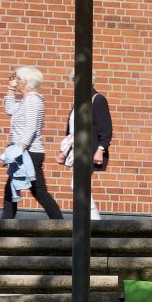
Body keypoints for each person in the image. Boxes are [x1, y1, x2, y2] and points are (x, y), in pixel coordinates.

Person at [1, 66, 63, 221]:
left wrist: (19, 149)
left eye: (19, 79)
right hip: (24, 152)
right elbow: (9, 109)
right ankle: (2, 228)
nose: (17, 81)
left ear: (26, 82)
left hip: (29, 153)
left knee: (39, 191)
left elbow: (31, 128)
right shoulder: (25, 101)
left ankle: (63, 227)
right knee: (11, 190)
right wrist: (10, 88)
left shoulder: (32, 101)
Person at [60, 89, 113, 221]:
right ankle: (88, 220)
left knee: (77, 184)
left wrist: (101, 149)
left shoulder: (97, 99)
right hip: (76, 149)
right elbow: (72, 130)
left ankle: (95, 220)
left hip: (89, 149)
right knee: (78, 185)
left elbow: (106, 128)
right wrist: (64, 151)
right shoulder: (79, 101)